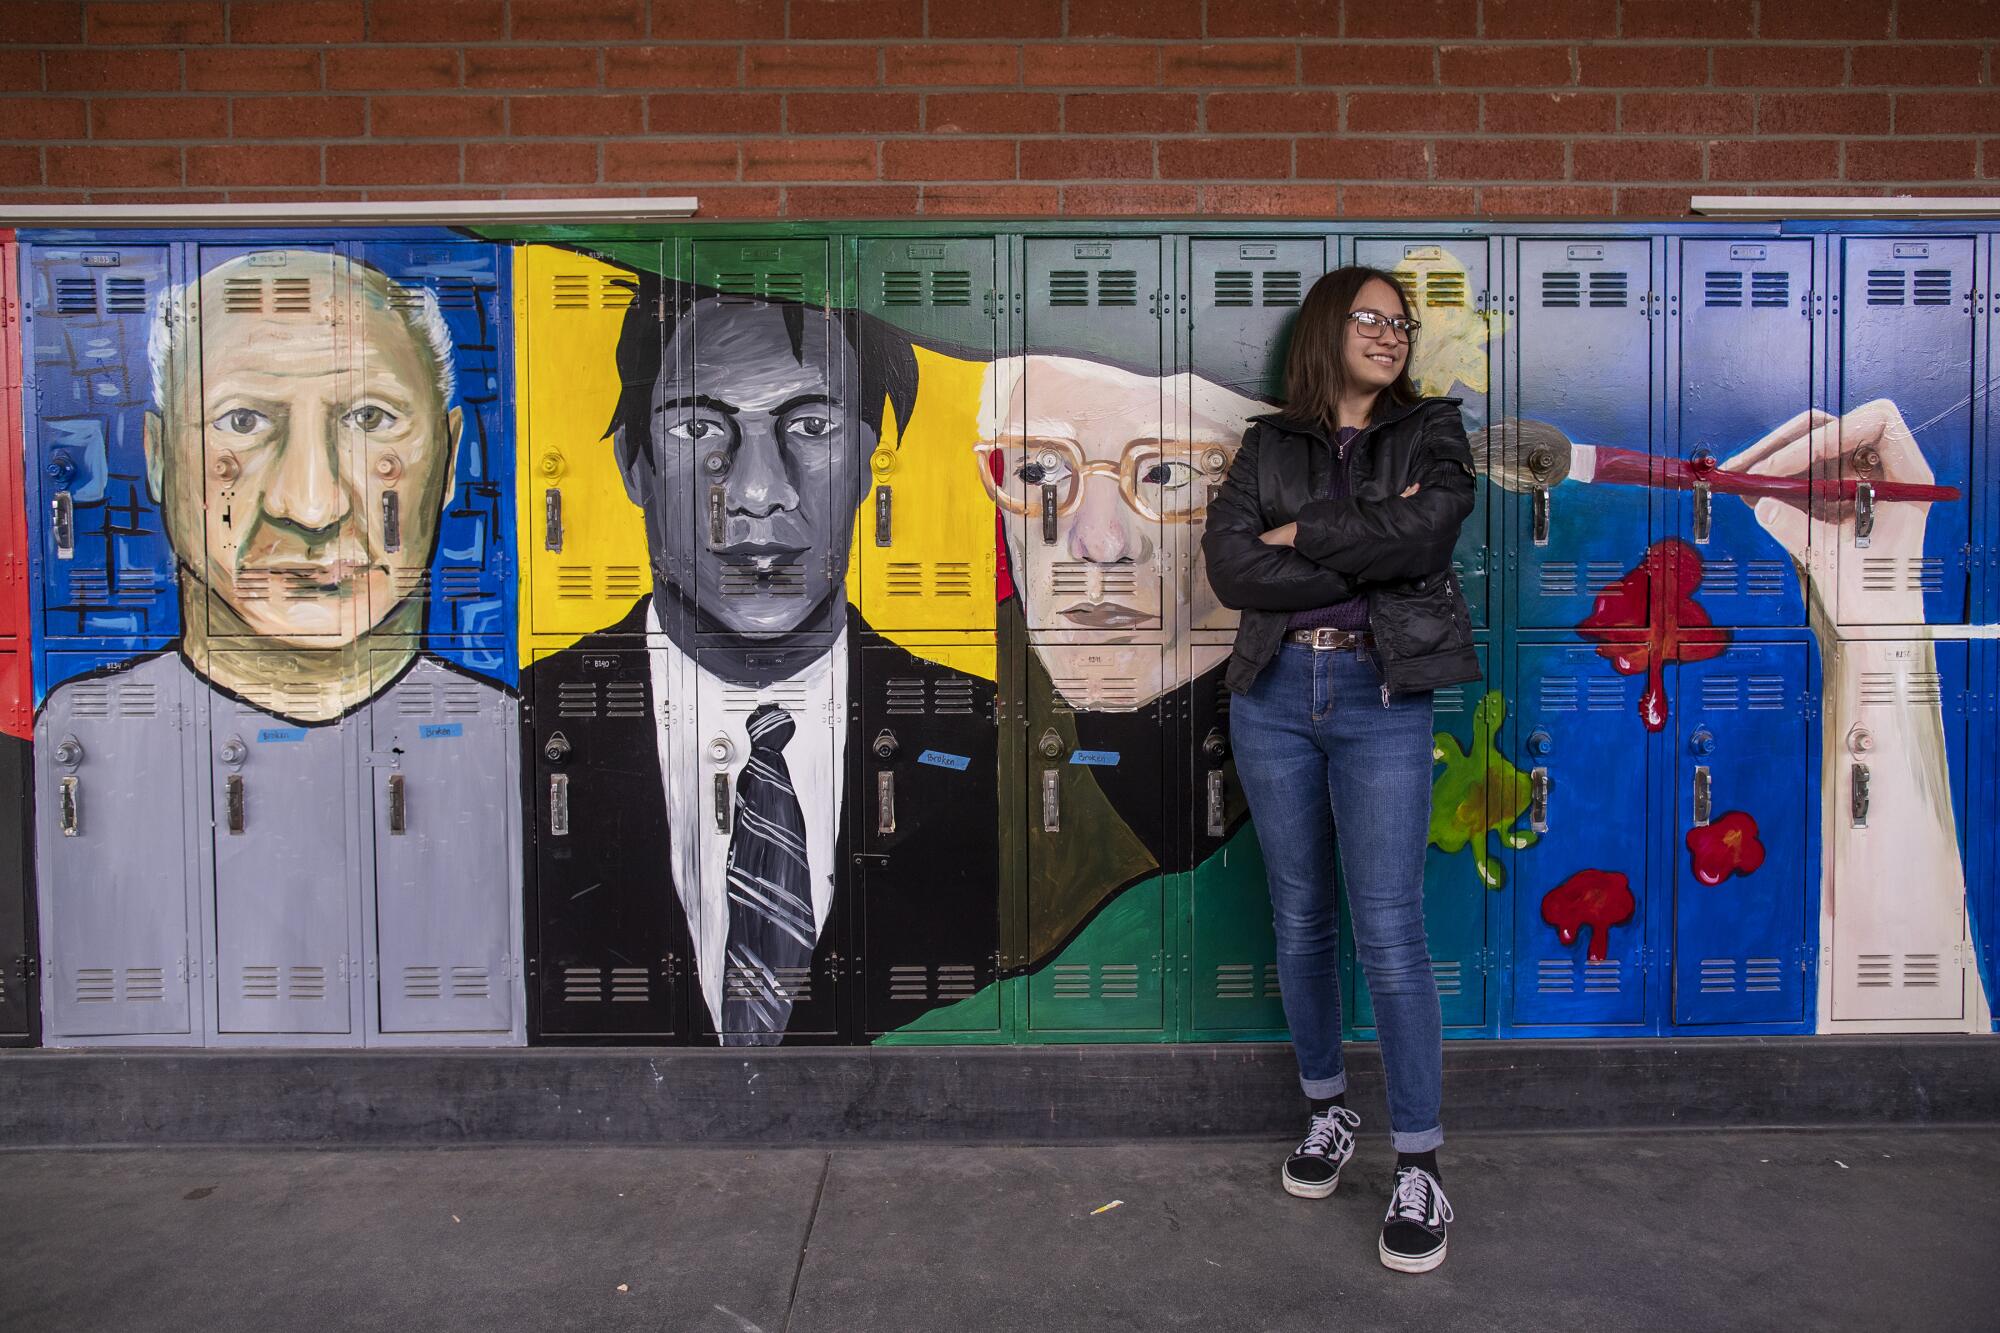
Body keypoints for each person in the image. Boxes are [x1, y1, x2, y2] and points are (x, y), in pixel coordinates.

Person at [36, 248, 517, 1043]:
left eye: (369, 419)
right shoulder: (68, 730)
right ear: (157, 458)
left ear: (452, 455)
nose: (313, 502)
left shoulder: (513, 739)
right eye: (244, 420)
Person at [525, 272, 999, 1046]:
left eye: (812, 427)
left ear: (871, 461)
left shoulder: (985, 738)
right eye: (697, 429)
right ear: (631, 465)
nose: (758, 491)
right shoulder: (526, 724)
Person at [1201, 266, 1481, 1274]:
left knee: (1390, 931)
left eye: (1399, 322)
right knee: (1299, 917)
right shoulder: (1266, 443)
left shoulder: (1432, 432)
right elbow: (1231, 568)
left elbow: (1432, 530)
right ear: (1327, 328)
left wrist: (1303, 532)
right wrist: (1370, 547)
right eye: (1368, 317)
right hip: (1271, 694)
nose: (1389, 333)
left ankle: (1419, 1163)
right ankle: (1326, 1108)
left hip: (1380, 695)